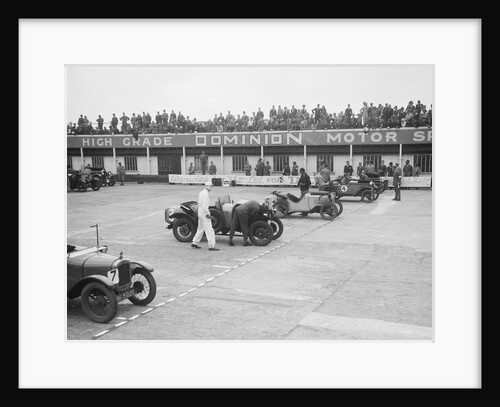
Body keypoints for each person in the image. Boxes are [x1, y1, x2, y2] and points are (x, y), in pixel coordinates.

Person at [191, 182, 219, 251]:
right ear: (208, 187)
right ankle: (211, 246)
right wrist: (208, 214)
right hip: (204, 212)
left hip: (200, 211)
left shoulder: (201, 192)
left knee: (200, 228)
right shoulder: (206, 194)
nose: (211, 188)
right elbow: (205, 206)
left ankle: (195, 242)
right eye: (211, 186)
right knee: (210, 230)